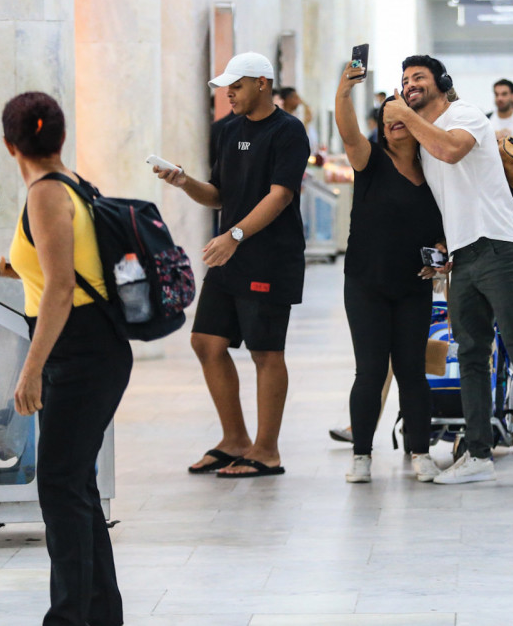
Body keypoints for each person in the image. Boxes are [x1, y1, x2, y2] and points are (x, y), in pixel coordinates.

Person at [0, 92, 133, 626]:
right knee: (74, 482)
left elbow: (62, 288)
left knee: (60, 486)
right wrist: (8, 269)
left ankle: (69, 618)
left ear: (10, 144)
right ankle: (100, 614)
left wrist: (30, 369)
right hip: (91, 346)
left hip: (79, 351)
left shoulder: (44, 193)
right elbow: (58, 272)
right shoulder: (71, 184)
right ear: (58, 136)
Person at [386, 54, 513, 487]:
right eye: (405, 80)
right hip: (464, 257)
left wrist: (405, 118)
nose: (410, 85)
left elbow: (452, 151)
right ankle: (478, 452)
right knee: (471, 353)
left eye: (418, 78)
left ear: (441, 82)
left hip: (501, 247)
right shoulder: (424, 138)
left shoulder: (464, 115)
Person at [158, 51, 309, 478]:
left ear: (262, 83)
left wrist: (235, 236)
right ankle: (235, 440)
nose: (229, 93)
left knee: (265, 350)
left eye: (237, 85)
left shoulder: (289, 132)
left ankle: (267, 450)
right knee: (206, 341)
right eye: (226, 87)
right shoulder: (227, 131)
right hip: (230, 254)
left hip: (267, 257)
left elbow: (281, 195)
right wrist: (185, 181)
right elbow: (219, 194)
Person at [334, 62, 446, 484]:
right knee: (371, 371)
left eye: (401, 116)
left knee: (413, 371)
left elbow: (442, 227)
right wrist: (344, 91)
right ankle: (361, 455)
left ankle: (421, 452)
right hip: (366, 282)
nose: (395, 122)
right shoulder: (371, 161)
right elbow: (348, 133)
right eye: (388, 118)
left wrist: (442, 248)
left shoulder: (434, 169)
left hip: (413, 285)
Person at [278, 85, 316, 151]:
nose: (299, 101)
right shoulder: (282, 120)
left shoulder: (293, 118)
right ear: (287, 99)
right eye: (296, 98)